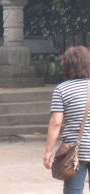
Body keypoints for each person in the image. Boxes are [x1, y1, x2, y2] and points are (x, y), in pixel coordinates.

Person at [44, 46, 90, 193]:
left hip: (75, 151)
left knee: (73, 190)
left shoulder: (62, 90)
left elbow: (56, 122)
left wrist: (48, 151)